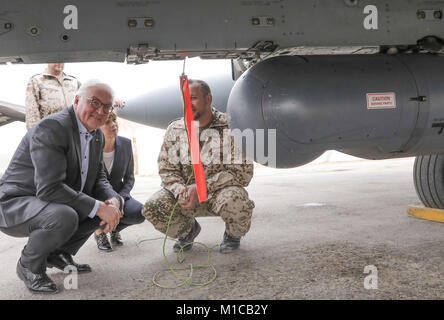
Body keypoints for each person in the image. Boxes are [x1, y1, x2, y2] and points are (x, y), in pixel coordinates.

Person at [0, 79, 125, 294]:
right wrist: (99, 207)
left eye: (107, 107)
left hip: (47, 202)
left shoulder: (96, 135)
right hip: (16, 204)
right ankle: (29, 265)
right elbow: (49, 188)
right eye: (95, 102)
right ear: (77, 100)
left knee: (99, 208)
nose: (101, 111)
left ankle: (55, 253)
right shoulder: (53, 128)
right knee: (65, 215)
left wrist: (114, 200)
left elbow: (99, 179)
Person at [142, 79, 255, 254]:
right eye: (185, 99)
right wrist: (181, 190)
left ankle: (233, 235)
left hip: (218, 194)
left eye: (193, 98)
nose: (188, 104)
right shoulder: (176, 129)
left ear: (208, 99)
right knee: (152, 206)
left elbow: (242, 174)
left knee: (237, 200)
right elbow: (167, 169)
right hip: (186, 196)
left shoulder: (231, 127)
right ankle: (188, 231)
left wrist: (203, 187)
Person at [93, 111, 145, 251]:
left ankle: (114, 229)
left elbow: (129, 178)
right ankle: (100, 232)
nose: (114, 124)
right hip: (97, 197)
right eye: (107, 122)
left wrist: (121, 198)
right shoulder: (92, 146)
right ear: (97, 127)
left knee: (140, 213)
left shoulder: (126, 144)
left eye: (114, 120)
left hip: (119, 193)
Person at [25, 63, 80, 130]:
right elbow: (31, 113)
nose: (60, 63)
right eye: (56, 59)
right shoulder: (36, 81)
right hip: (48, 131)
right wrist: (35, 136)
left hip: (71, 131)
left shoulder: (73, 81)